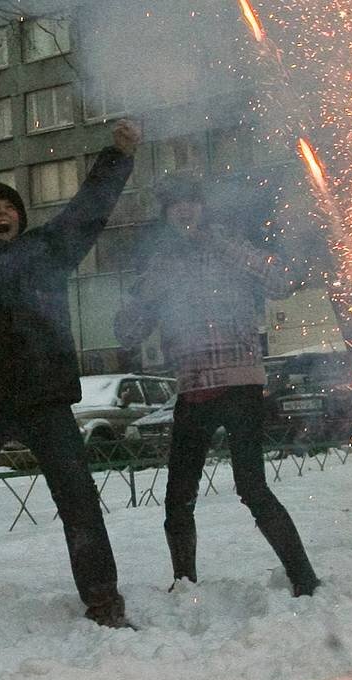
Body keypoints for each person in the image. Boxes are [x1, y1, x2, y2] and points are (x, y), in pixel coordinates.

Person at [0, 120, 142, 628]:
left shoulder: (46, 254)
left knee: (78, 499)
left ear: (20, 219)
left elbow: (86, 213)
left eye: (9, 207)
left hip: (44, 398)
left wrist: (118, 156)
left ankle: (103, 598)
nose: (1, 212)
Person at [114, 178, 321, 596]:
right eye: (176, 206)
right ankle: (184, 584)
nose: (185, 211)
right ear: (166, 216)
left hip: (240, 383)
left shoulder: (229, 246)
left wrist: (217, 244)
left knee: (253, 487)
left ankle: (304, 577)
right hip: (192, 388)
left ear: (204, 209)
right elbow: (128, 333)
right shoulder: (162, 263)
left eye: (192, 202)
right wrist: (146, 291)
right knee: (178, 496)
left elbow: (281, 282)